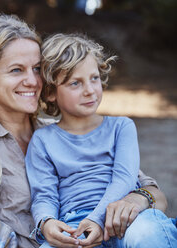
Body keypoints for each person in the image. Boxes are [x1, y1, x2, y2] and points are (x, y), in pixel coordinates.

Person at [0, 14, 170, 247]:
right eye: (16, 70)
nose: (32, 81)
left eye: (37, 69)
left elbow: (154, 193)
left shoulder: (62, 132)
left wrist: (137, 199)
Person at [26, 33, 177, 248]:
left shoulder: (121, 127)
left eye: (94, 78)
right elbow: (44, 194)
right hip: (75, 226)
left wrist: (97, 219)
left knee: (149, 234)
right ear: (50, 92)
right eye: (75, 83)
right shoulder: (43, 140)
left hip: (126, 217)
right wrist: (46, 222)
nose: (89, 90)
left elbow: (124, 178)